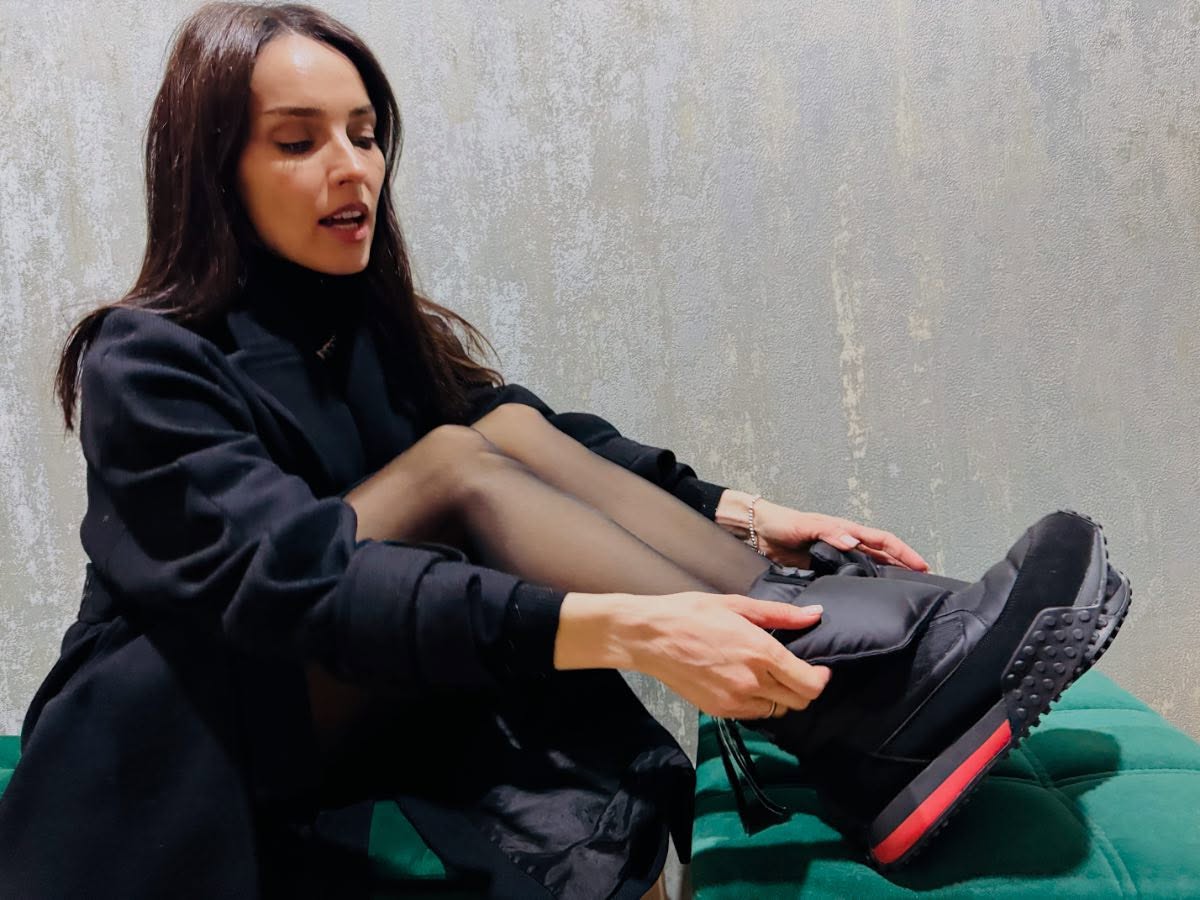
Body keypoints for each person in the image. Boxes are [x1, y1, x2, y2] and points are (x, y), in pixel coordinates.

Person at [0, 4, 933, 898]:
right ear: (214, 171)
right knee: (454, 464)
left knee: (498, 433)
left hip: (339, 688)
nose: (352, 168)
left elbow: (538, 438)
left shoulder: (361, 325)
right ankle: (842, 686)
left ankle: (826, 645)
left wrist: (744, 514)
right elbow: (298, 579)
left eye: (365, 135)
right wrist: (618, 629)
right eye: (298, 142)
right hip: (183, 731)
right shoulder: (145, 360)